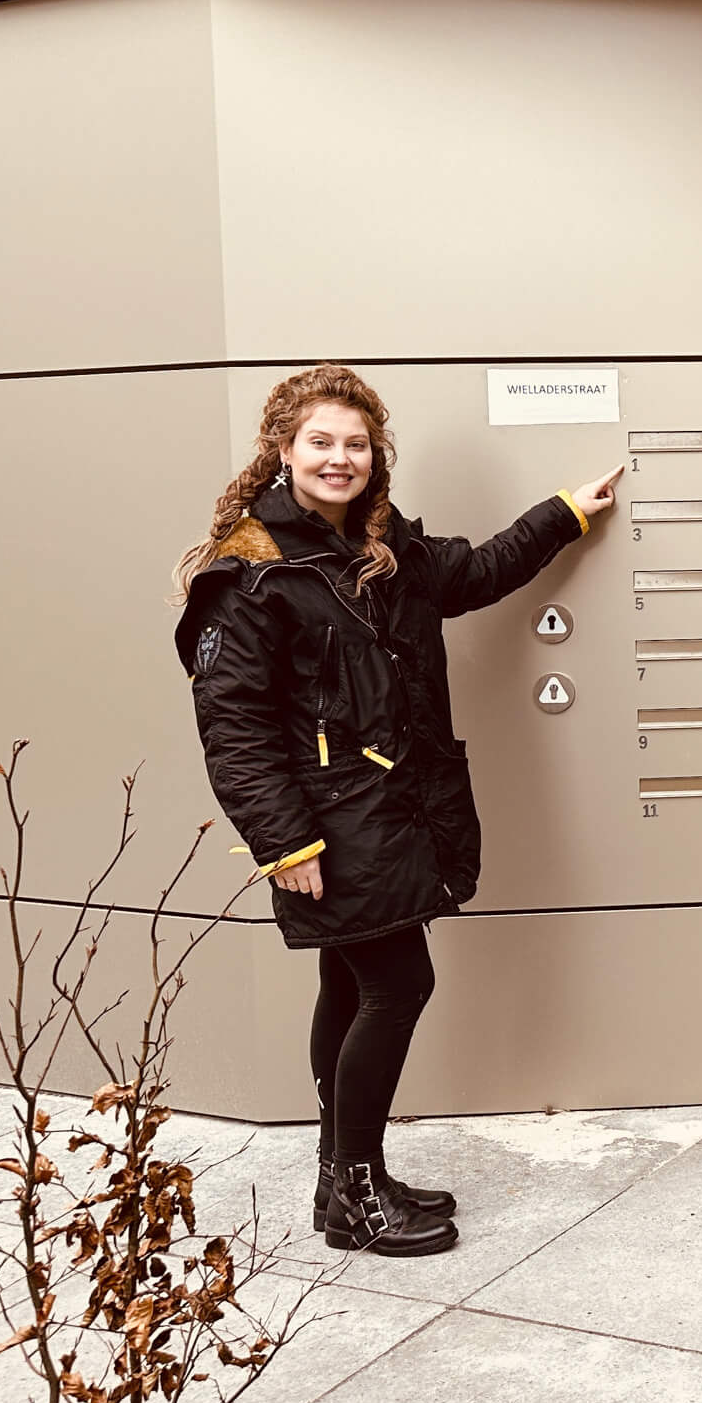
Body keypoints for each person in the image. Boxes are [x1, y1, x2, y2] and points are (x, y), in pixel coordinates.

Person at [173, 365, 619, 1256]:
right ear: (283, 450)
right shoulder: (251, 571)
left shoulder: (385, 551)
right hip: (330, 828)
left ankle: (345, 1185)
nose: (340, 458)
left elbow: (480, 570)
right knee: (397, 984)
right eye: (320, 442)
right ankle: (360, 1193)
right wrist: (283, 839)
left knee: (351, 982)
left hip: (390, 813)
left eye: (356, 443)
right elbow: (234, 728)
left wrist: (565, 512)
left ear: (375, 456)